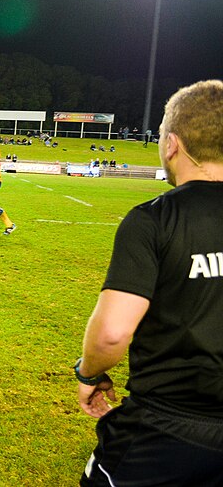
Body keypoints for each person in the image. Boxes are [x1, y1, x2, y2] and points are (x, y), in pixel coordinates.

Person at [75, 80, 223, 486]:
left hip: (168, 429)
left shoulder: (155, 218)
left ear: (172, 143)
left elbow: (111, 333)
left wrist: (89, 375)